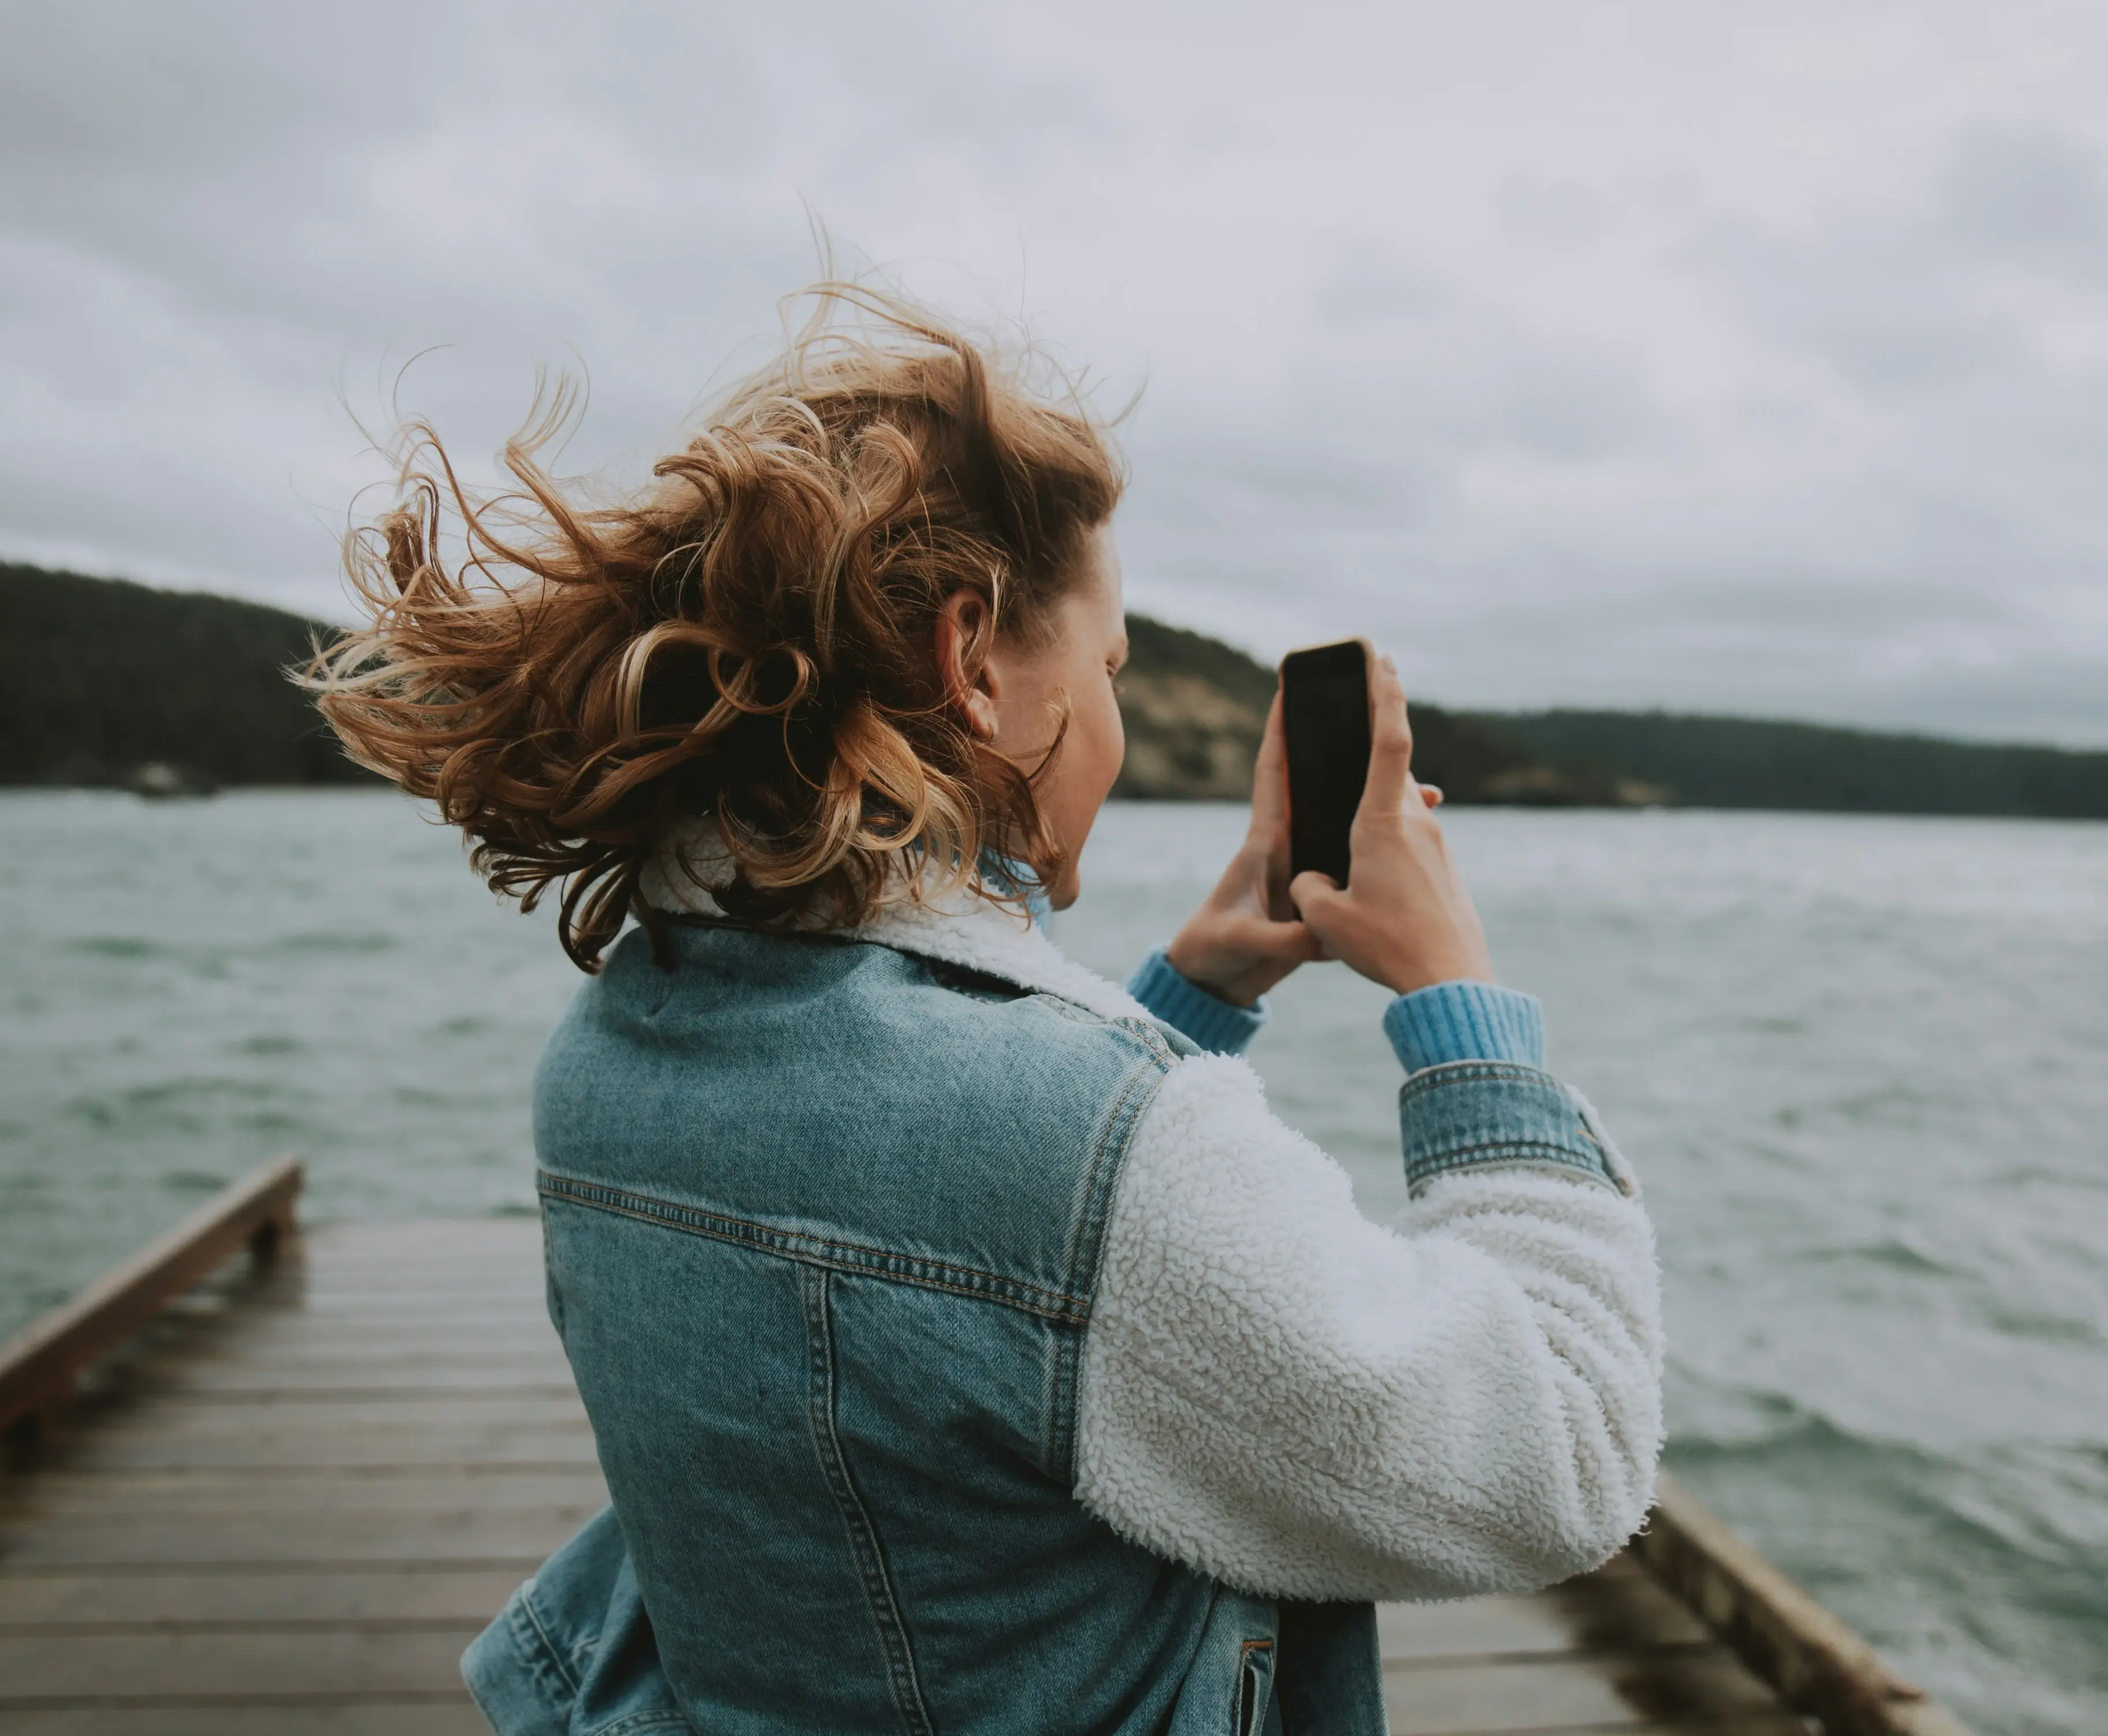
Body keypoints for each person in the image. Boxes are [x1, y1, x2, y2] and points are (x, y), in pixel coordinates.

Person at [313, 288, 1662, 1736]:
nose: (1118, 718)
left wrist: (1190, 995)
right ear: (977, 663)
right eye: (1110, 666)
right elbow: (1566, 1457)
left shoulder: (612, 1048)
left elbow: (960, 1267)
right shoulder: (1099, 1137)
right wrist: (1460, 1000)